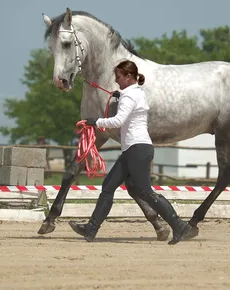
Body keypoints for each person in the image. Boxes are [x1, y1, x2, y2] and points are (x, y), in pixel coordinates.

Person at [69, 60, 191, 245]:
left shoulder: (129, 96)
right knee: (109, 186)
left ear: (128, 76)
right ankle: (91, 229)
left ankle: (179, 226)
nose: (116, 81)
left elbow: (118, 121)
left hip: (137, 149)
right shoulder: (136, 93)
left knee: (146, 192)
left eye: (118, 77)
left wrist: (95, 122)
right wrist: (119, 96)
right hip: (134, 149)